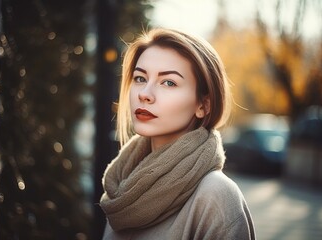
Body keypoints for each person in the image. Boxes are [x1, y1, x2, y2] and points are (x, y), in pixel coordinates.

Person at [99, 28, 256, 240]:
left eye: (169, 82)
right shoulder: (120, 188)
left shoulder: (215, 197)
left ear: (203, 105)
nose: (145, 94)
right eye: (140, 78)